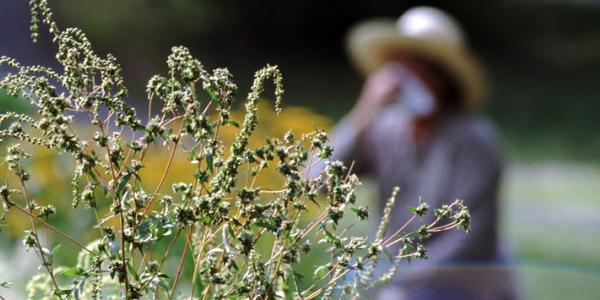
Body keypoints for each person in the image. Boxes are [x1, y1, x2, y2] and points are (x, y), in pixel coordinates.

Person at [312, 6, 521, 300]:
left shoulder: (474, 141)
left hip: (467, 287)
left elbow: (470, 242)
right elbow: (316, 183)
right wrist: (364, 111)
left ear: (443, 78)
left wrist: (396, 280)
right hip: (402, 281)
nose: (407, 78)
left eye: (418, 67)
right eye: (400, 68)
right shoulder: (384, 129)